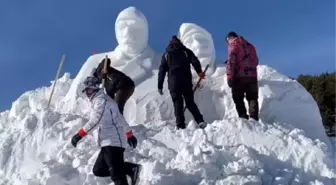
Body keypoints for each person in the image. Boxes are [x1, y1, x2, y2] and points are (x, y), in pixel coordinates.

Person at [71, 76, 141, 185]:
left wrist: (79, 135)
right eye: (86, 91)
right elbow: (120, 118)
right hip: (106, 142)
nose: (87, 94)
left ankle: (128, 170)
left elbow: (96, 120)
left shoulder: (101, 100)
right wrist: (129, 133)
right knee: (98, 170)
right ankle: (129, 169)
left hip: (112, 142)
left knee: (117, 176)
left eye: (88, 90)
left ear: (95, 88)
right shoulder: (101, 101)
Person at [158, 35, 207, 130]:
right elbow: (195, 60)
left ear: (170, 43)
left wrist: (159, 85)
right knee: (190, 102)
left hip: (173, 83)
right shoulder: (185, 51)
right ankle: (200, 121)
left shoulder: (166, 55)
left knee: (177, 103)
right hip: (186, 81)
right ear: (179, 42)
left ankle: (180, 125)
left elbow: (162, 71)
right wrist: (199, 72)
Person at [225, 31, 259, 121]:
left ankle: (243, 117)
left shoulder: (233, 45)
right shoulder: (251, 46)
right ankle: (254, 117)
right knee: (252, 97)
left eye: (227, 40)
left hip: (239, 77)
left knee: (237, 97)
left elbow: (231, 62)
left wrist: (229, 77)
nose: (227, 43)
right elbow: (256, 61)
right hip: (252, 76)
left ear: (230, 38)